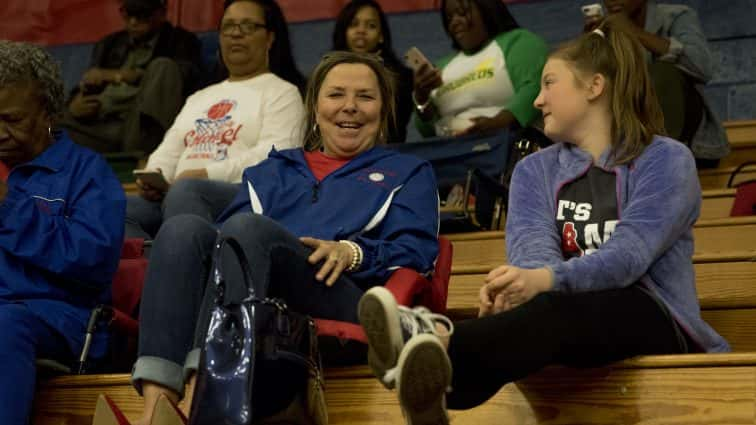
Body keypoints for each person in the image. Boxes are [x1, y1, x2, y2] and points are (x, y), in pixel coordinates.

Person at [357, 19, 730, 425]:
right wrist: (523, 285)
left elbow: (630, 255)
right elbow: (532, 254)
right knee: (545, 308)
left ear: (595, 86)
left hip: (654, 315)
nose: (536, 101)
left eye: (549, 83)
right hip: (569, 320)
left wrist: (542, 280)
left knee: (557, 305)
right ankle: (434, 389)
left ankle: (431, 345)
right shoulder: (533, 170)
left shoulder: (665, 159)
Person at [118, 51, 439, 424]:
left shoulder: (407, 171)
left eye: (365, 97)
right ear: (315, 106)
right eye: (336, 95)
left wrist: (354, 252)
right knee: (181, 230)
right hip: (261, 293)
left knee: (247, 229)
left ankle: (200, 402)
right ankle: (157, 408)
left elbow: (418, 252)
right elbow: (223, 251)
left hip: (342, 292)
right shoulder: (275, 170)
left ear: (383, 110)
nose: (349, 107)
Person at [0, 41, 126, 425]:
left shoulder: (87, 173)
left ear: (48, 113)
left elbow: (91, 261)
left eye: (11, 119)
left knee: (4, 324)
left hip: (61, 315)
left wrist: (9, 207)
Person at [124, 0, 306, 239]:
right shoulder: (200, 97)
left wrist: (207, 174)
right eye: (228, 26)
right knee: (115, 209)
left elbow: (276, 158)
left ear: (270, 38)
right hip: (178, 193)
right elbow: (169, 149)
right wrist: (154, 175)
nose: (236, 34)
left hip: (240, 196)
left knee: (187, 192)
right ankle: (159, 264)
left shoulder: (283, 93)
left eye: (248, 26)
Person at [584, 0, 729, 168]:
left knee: (662, 73)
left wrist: (633, 31)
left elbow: (703, 67)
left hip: (687, 141)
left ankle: (654, 161)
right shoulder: (606, 27)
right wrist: (590, 48)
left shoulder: (675, 16)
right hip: (626, 136)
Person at [60, 0, 202, 154]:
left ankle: (145, 157)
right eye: (128, 15)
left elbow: (180, 79)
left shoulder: (180, 41)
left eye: (142, 15)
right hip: (100, 123)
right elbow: (88, 82)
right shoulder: (109, 44)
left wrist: (117, 76)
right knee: (45, 121)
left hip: (137, 124)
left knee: (163, 66)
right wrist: (75, 105)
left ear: (161, 13)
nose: (133, 22)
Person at [412, 0, 548, 138]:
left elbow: (534, 88)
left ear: (487, 10)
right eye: (449, 18)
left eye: (462, 13)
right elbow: (427, 130)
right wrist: (422, 99)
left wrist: (499, 123)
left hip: (510, 143)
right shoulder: (442, 66)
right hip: (454, 150)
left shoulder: (518, 42)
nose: (454, 22)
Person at [332, 0, 413, 143]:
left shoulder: (401, 77)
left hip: (387, 155)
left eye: (371, 26)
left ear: (381, 36)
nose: (361, 30)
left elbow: (397, 126)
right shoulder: (328, 75)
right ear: (344, 32)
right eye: (354, 24)